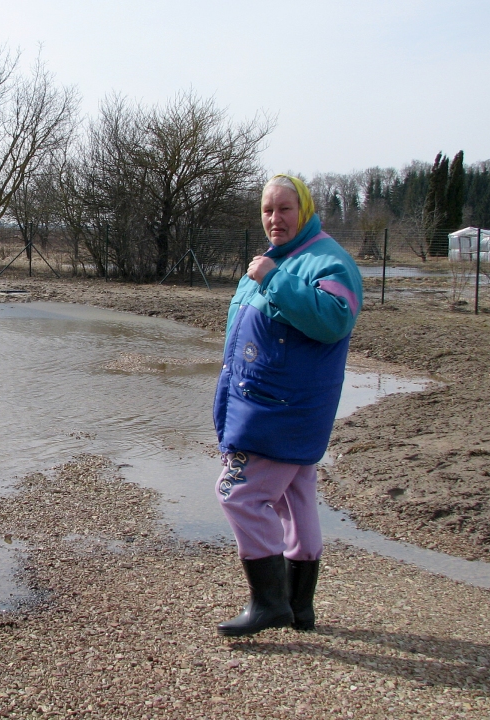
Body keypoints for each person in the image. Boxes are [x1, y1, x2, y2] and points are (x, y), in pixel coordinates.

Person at [212, 174, 362, 637]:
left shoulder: (326, 261)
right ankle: (299, 607)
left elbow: (335, 319)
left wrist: (274, 279)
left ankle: (270, 603)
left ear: (305, 210)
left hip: (279, 411)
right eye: (267, 210)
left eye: (284, 209)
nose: (274, 218)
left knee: (237, 493)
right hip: (271, 404)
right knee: (295, 502)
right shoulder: (278, 258)